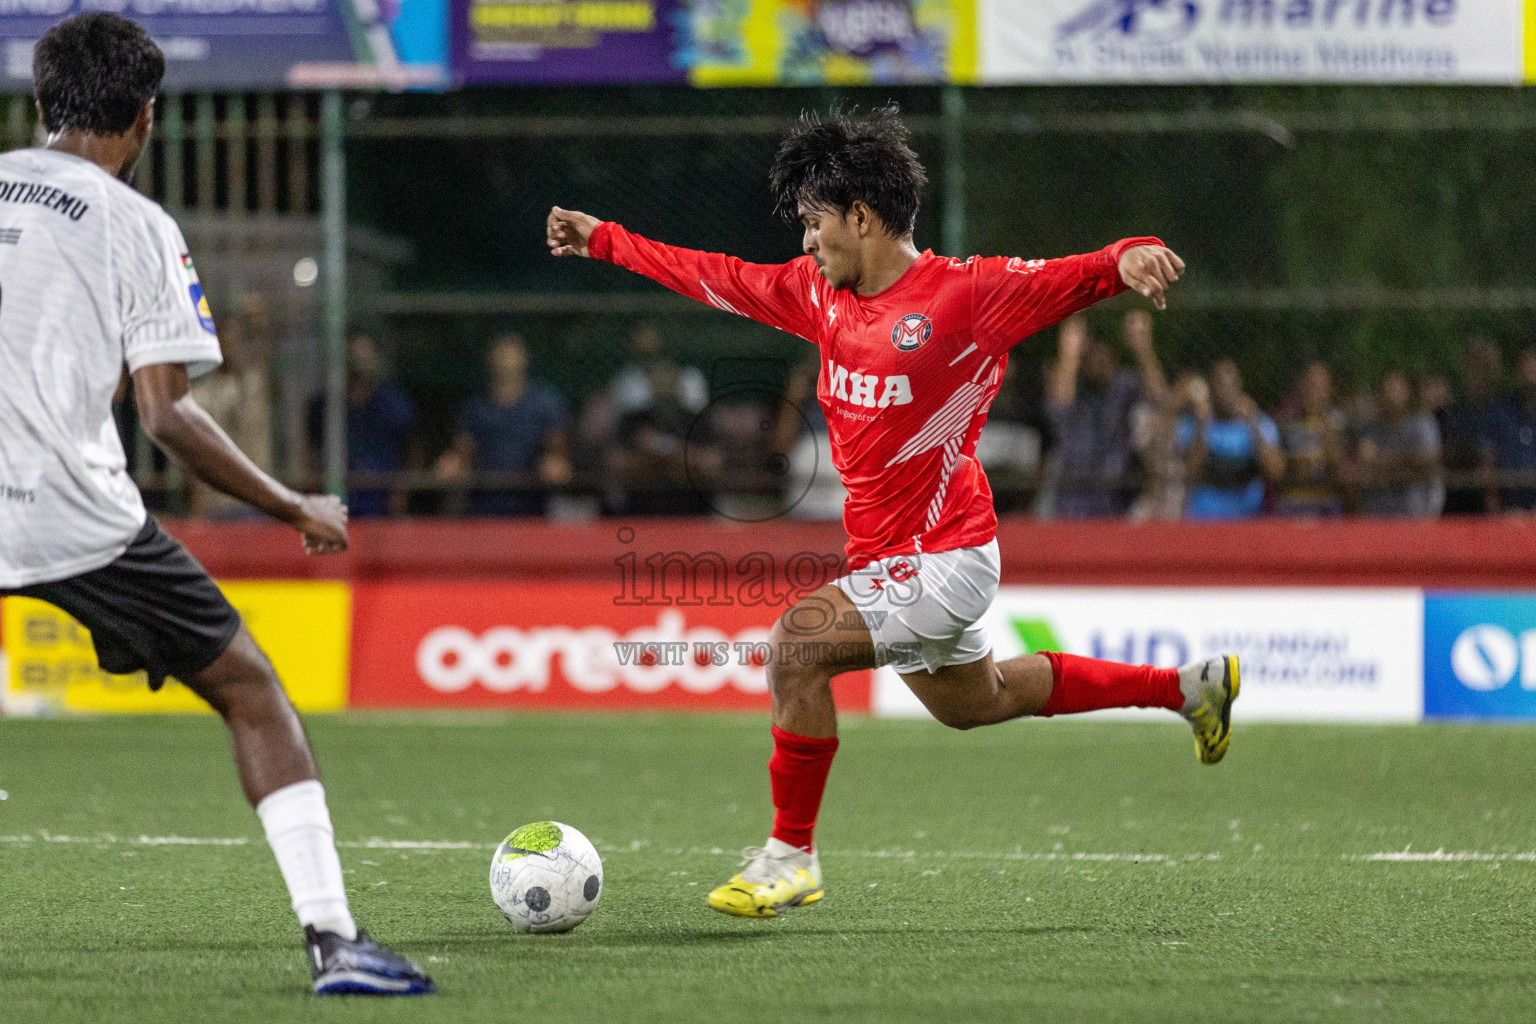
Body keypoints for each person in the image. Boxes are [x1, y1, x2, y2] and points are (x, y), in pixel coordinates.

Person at [547, 106, 1239, 919]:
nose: (807, 243)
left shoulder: (966, 296)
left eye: (815, 224)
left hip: (947, 557)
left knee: (796, 647)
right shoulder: (818, 294)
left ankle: (789, 856)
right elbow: (715, 273)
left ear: (863, 218)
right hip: (890, 564)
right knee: (976, 703)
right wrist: (604, 240)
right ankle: (1186, 688)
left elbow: (1072, 274)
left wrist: (1131, 256)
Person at [0, 15, 432, 996]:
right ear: (147, 119)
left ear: (39, 106)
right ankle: (334, 941)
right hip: (71, 511)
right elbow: (167, 415)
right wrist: (293, 506)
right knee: (249, 689)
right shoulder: (135, 224)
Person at [1043, 310, 1167, 518]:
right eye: (1091, 356)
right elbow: (1058, 408)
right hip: (1073, 495)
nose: (1099, 362)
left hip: (1115, 495)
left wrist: (1143, 348)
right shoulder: (1073, 387)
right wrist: (1070, 352)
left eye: (1104, 355)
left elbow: (1160, 401)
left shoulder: (1124, 385)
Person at [434, 334, 572, 516]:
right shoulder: (475, 406)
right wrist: (454, 462)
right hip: (484, 504)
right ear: (490, 359)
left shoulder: (545, 402)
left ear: (524, 358)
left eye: (512, 354)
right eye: (502, 354)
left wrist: (556, 462)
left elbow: (557, 448)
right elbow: (462, 450)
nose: (507, 361)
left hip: (533, 506)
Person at [308, 334, 420, 519]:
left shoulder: (394, 404)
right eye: (354, 355)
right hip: (336, 503)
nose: (359, 361)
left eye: (365, 354)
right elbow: (310, 447)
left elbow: (414, 449)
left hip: (382, 504)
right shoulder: (325, 404)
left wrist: (401, 494)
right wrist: (315, 490)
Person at [187, 305, 273, 519]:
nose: (229, 348)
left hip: (256, 501)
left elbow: (266, 356)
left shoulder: (256, 386)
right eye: (224, 341)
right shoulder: (201, 395)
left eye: (236, 341)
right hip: (216, 503)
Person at [1178, 359, 1285, 520]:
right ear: (1210, 389)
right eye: (1220, 384)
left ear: (1240, 387)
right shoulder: (1192, 424)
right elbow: (1190, 473)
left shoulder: (1261, 423)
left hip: (1247, 521)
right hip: (1203, 520)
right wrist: (1202, 423)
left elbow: (1276, 472)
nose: (1225, 392)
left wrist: (1253, 424)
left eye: (1231, 385)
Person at [1357, 371, 1442, 518]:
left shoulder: (1421, 423)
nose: (1390, 395)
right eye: (1386, 390)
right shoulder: (1372, 429)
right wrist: (1406, 464)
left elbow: (1428, 460)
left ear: (1406, 392)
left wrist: (1385, 462)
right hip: (1379, 510)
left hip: (1416, 509)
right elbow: (1365, 460)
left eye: (1395, 389)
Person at [1275, 362, 1347, 518]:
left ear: (1329, 390)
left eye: (1321, 387)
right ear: (1301, 387)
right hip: (1293, 502)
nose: (1315, 393)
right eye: (1311, 386)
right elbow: (1276, 469)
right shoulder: (1286, 422)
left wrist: (1323, 424)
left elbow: (1341, 467)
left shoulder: (1338, 423)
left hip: (1325, 503)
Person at [1481, 345, 1536, 515]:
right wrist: (1494, 507)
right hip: (1508, 507)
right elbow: (1487, 460)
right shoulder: (1500, 410)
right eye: (1525, 364)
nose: (1529, 370)